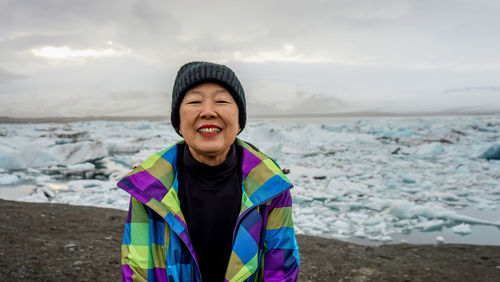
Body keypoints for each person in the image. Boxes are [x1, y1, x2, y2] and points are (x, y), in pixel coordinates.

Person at [117, 61, 300, 281]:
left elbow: (280, 271)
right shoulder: (149, 188)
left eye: (222, 101)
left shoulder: (270, 187)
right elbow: (138, 271)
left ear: (239, 121)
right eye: (194, 101)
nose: (208, 112)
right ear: (179, 123)